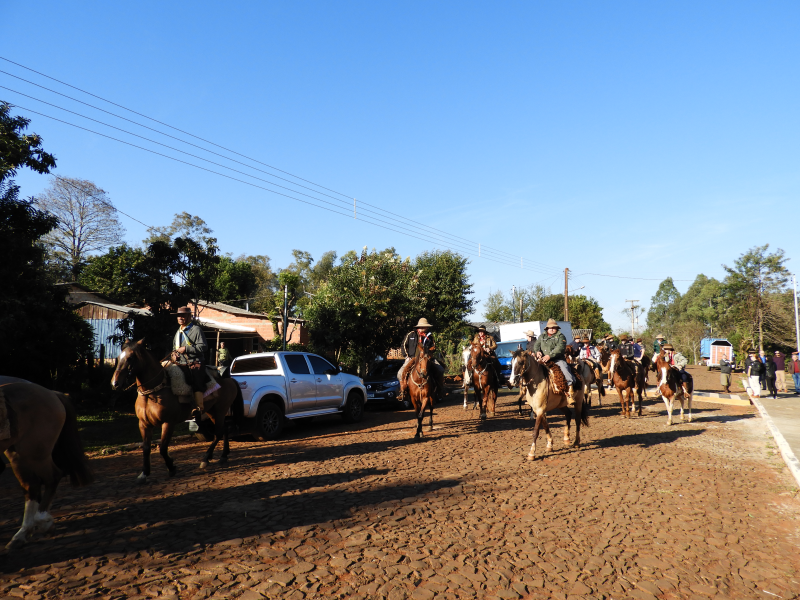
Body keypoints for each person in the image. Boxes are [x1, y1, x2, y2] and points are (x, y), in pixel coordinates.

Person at [172, 306, 210, 419]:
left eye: (183, 315)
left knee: (195, 379)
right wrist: (174, 355)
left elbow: (204, 347)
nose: (180, 317)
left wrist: (186, 349)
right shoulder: (177, 332)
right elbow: (175, 348)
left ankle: (199, 407)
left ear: (189, 316)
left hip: (195, 362)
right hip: (180, 363)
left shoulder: (196, 330)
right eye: (179, 315)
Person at [398, 318, 445, 403]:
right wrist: (406, 356)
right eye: (425, 327)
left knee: (440, 370)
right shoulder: (411, 334)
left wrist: (430, 352)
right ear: (420, 327)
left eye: (427, 327)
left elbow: (433, 347)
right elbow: (403, 345)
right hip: (412, 358)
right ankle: (403, 392)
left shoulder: (430, 336)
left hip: (427, 358)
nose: (427, 328)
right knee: (400, 373)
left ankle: (439, 391)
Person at [532, 318, 575, 400]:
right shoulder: (542, 336)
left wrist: (549, 356)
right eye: (550, 328)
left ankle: (570, 388)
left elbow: (560, 348)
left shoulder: (561, 336)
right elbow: (536, 345)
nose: (551, 329)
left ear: (557, 328)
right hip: (543, 360)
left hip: (557, 360)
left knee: (564, 369)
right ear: (547, 329)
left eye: (553, 328)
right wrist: (537, 351)